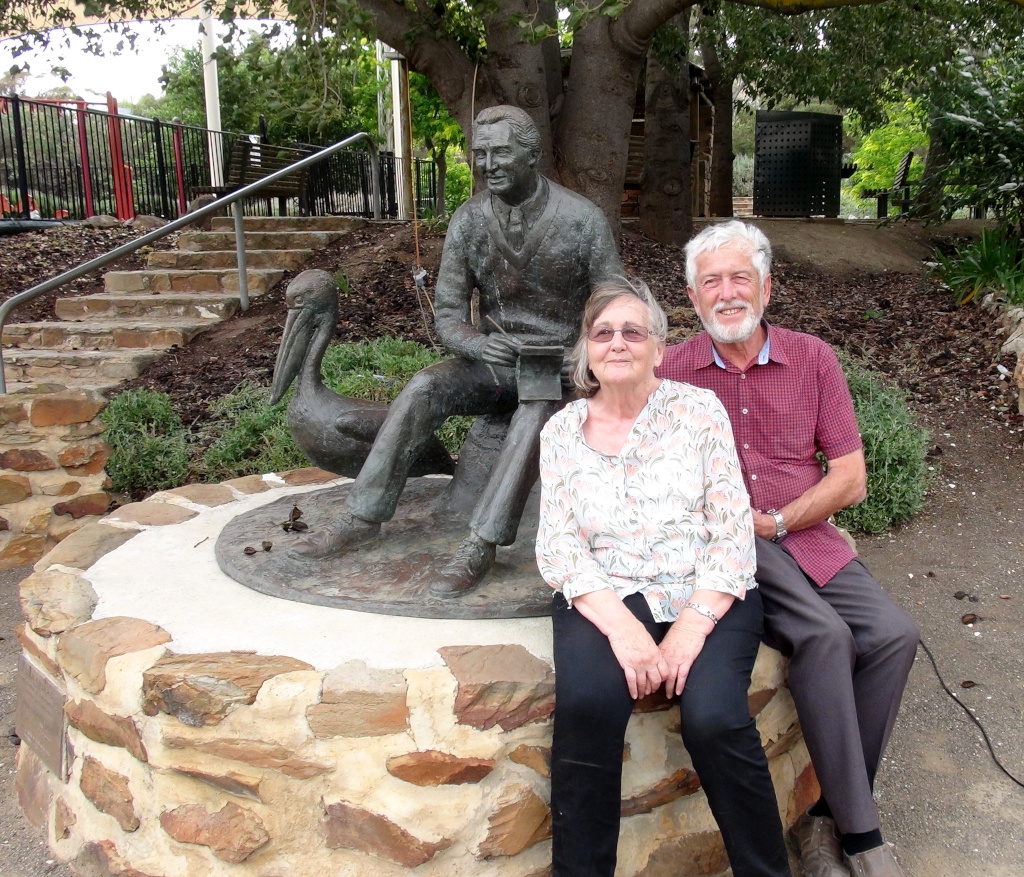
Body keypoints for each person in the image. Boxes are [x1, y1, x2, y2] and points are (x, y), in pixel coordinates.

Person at [656, 220, 920, 877]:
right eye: (710, 281)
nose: (726, 292)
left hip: (801, 534)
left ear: (767, 286)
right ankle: (861, 838)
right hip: (725, 541)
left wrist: (776, 521)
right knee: (826, 636)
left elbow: (851, 478)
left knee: (893, 634)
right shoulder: (672, 371)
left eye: (739, 276)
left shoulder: (813, 358)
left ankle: (824, 816)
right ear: (692, 298)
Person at [292, 105, 623, 595]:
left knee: (534, 415)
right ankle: (362, 517)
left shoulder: (582, 220)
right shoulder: (469, 222)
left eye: (500, 153)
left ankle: (481, 544)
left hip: (563, 369)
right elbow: (447, 315)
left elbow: (616, 307)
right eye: (480, 153)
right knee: (425, 386)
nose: (488, 164)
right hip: (493, 364)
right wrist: (479, 344)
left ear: (532, 156)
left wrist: (582, 353)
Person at [536, 277, 792, 877]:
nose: (617, 342)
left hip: (706, 591)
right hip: (606, 593)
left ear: (658, 345)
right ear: (586, 351)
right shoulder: (561, 433)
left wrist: (688, 631)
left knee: (715, 717)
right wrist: (625, 631)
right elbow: (559, 547)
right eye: (603, 333)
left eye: (633, 331)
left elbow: (732, 534)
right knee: (591, 707)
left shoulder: (699, 412)